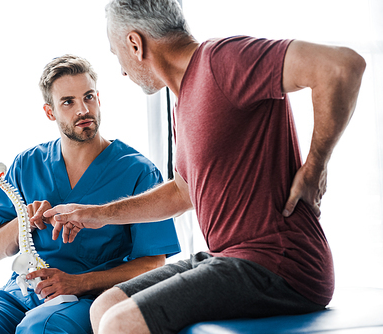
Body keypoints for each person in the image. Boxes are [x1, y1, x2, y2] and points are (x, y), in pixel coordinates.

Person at [42, 1, 367, 333]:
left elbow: (341, 66)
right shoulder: (182, 102)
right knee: (106, 306)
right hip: (228, 258)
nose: (122, 71)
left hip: (281, 263)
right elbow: (184, 193)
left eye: (116, 54)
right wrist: (93, 214)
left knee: (120, 324)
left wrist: (315, 167)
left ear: (135, 44)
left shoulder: (223, 60)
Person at [0, 54, 180, 334]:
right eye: (68, 102)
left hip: (87, 295)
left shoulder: (137, 172)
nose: (83, 110)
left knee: (43, 327)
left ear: (99, 99)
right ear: (50, 111)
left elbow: (153, 264)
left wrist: (79, 283)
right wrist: (24, 222)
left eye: (89, 97)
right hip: (22, 292)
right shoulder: (27, 165)